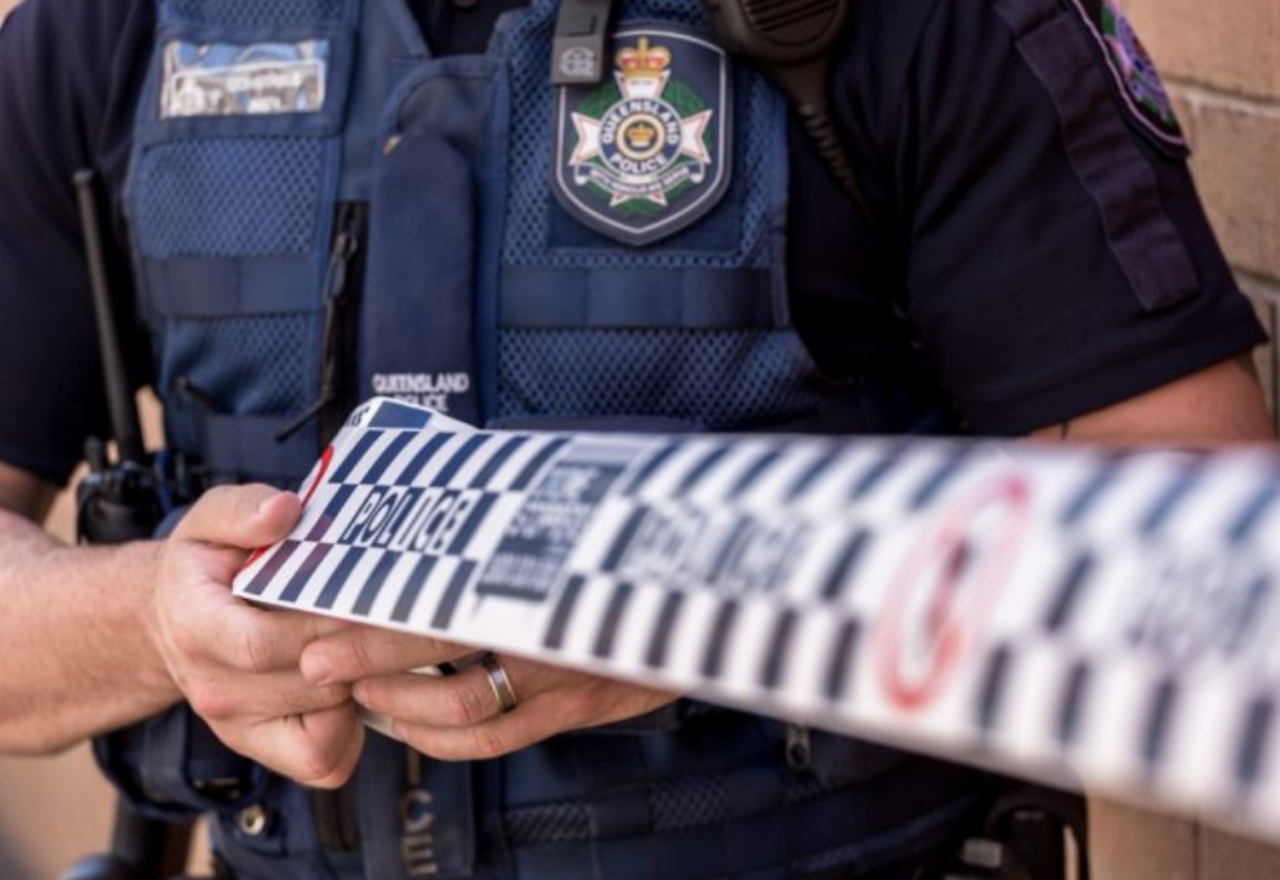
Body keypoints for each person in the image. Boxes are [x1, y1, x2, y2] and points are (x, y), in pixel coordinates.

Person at [0, 0, 1272, 876]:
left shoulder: (916, 23)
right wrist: (153, 618)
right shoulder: (111, 31)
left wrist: (696, 599)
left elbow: (1207, 576)